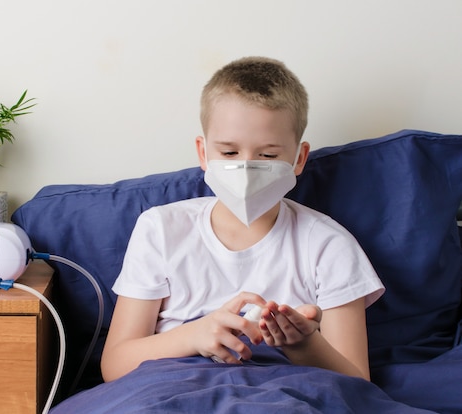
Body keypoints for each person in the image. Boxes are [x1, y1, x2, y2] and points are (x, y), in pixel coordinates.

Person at [100, 56, 384, 383]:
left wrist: (304, 344)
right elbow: (115, 366)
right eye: (230, 153)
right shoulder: (161, 230)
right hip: (172, 387)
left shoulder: (328, 245)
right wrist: (194, 335)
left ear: (299, 158)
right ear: (204, 153)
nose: (247, 169)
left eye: (268, 155)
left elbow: (357, 382)